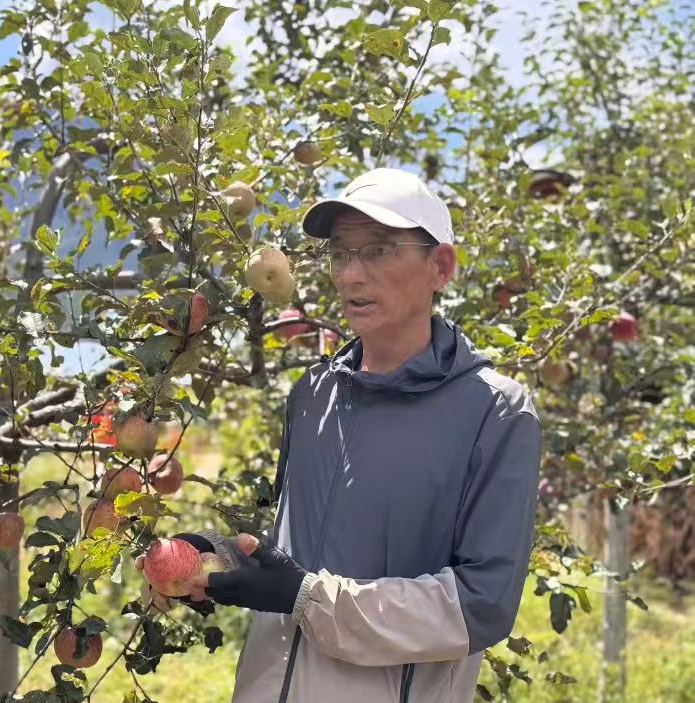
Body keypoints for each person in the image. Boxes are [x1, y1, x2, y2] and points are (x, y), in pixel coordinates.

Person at [138, 167, 542, 702]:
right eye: (340, 254)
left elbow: (480, 606)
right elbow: (296, 546)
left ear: (440, 266)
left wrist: (307, 597)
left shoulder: (496, 411)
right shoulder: (313, 394)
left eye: (377, 251)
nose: (350, 276)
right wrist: (219, 557)